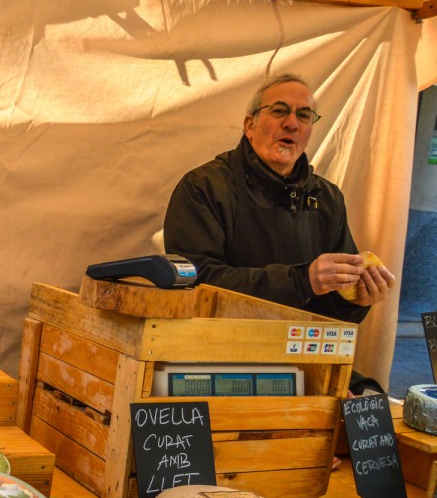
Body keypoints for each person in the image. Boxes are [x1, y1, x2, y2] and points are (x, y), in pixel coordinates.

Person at [163, 72, 395, 395]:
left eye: (304, 115)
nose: (292, 123)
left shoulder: (328, 199)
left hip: (302, 361)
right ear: (250, 125)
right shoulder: (204, 188)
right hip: (217, 362)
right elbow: (197, 283)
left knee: (373, 399)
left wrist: (357, 300)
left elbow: (332, 314)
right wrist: (302, 280)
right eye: (279, 111)